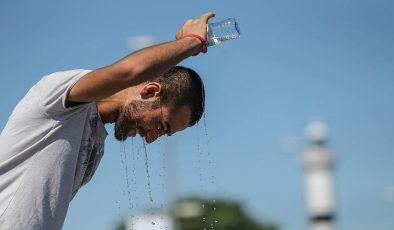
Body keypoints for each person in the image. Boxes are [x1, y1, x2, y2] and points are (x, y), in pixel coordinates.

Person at [0, 12, 215, 230]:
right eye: (160, 126)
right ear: (150, 92)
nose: (150, 139)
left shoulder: (96, 142)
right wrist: (192, 42)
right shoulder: (57, 97)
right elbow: (130, 71)